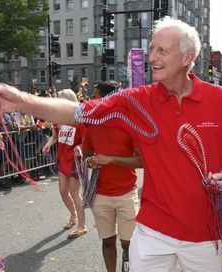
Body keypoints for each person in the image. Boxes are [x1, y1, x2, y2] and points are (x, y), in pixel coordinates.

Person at [0, 17, 222, 271]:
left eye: (162, 51)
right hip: (153, 235)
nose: (152, 58)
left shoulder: (220, 99)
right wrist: (21, 100)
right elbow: (76, 112)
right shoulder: (136, 101)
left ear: (187, 58)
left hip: (207, 237)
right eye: (151, 49)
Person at [82, 81, 142, 272]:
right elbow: (87, 154)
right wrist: (91, 161)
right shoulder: (91, 124)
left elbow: (141, 161)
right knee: (108, 242)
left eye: (96, 95)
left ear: (109, 99)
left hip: (126, 193)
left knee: (128, 243)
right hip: (100, 194)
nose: (92, 100)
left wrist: (111, 159)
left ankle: (128, 264)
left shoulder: (128, 124)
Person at [42, 89, 88, 239]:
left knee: (75, 193)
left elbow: (87, 141)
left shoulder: (80, 119)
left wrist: (79, 148)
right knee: (63, 191)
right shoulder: (58, 118)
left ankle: (82, 225)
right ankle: (73, 215)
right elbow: (55, 135)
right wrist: (48, 144)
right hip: (62, 159)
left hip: (75, 161)